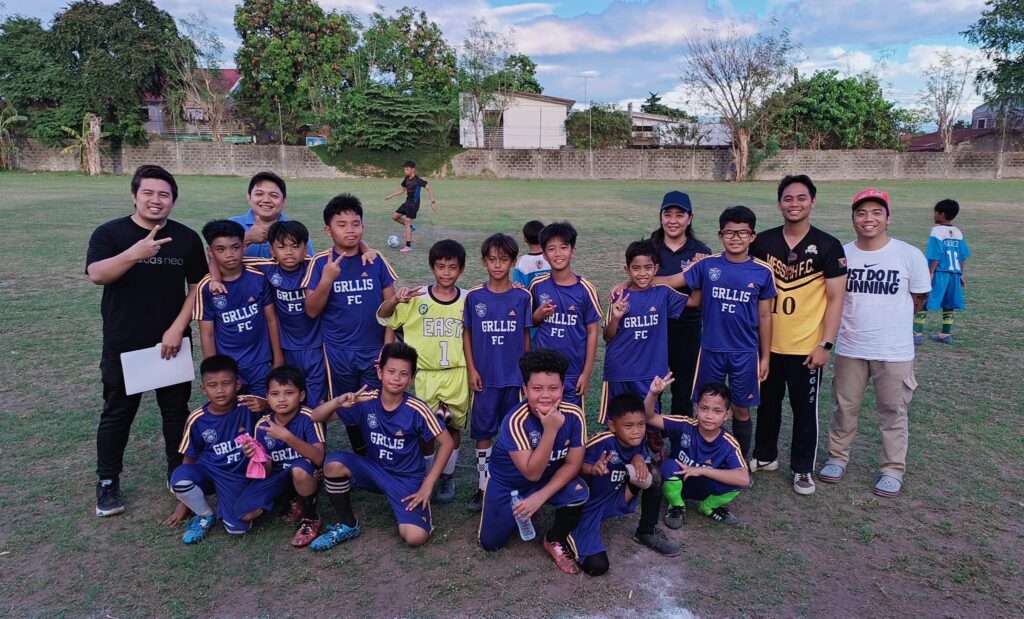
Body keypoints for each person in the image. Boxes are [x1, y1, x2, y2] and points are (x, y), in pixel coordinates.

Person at [86, 164, 208, 517]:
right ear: (135, 195)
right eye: (149, 193)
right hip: (124, 343)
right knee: (118, 412)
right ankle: (108, 481)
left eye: (164, 195)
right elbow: (97, 274)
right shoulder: (110, 233)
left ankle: (178, 472)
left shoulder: (185, 238)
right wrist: (133, 254)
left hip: (171, 342)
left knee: (175, 413)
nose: (156, 201)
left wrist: (176, 328)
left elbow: (197, 285)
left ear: (173, 201)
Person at [819, 189, 930, 498]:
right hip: (851, 347)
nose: (868, 219)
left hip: (894, 351)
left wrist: (891, 322)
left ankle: (893, 469)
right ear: (853, 218)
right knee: (844, 408)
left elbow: (920, 298)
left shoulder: (909, 255)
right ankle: (837, 458)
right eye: (861, 213)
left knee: (893, 411)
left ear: (888, 218)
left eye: (876, 212)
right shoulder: (841, 254)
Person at [748, 175, 847, 496]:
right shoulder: (762, 242)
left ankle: (803, 469)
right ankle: (764, 456)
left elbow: (836, 300)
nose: (794, 204)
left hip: (806, 348)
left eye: (801, 198)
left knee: (804, 410)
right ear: (779, 204)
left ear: (813, 202)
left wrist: (825, 344)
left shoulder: (829, 245)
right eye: (788, 198)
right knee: (767, 405)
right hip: (768, 344)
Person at [308, 342, 454, 549]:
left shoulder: (416, 408)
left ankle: (414, 514)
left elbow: (447, 442)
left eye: (404, 374)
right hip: (374, 470)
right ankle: (348, 525)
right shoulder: (366, 400)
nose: (396, 378)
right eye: (391, 371)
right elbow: (316, 416)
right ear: (380, 372)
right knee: (333, 464)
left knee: (415, 538)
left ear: (411, 378)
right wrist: (338, 401)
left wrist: (428, 484)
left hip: (406, 479)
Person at [677, 206, 775, 459]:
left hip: (745, 353)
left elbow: (765, 316)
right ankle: (702, 457)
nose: (736, 238)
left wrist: (765, 357)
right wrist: (636, 281)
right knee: (706, 407)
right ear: (720, 235)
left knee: (742, 409)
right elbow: (673, 281)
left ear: (752, 236)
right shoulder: (707, 265)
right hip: (711, 350)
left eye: (742, 233)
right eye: (729, 232)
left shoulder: (763, 271)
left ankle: (738, 461)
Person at [478, 349, 588, 575]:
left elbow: (572, 464)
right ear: (525, 389)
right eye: (537, 389)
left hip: (546, 477)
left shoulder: (574, 415)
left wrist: (540, 496)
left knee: (578, 492)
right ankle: (499, 498)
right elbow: (531, 473)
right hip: (511, 484)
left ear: (563, 388)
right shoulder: (515, 421)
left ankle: (554, 539)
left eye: (553, 388)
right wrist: (550, 431)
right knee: (491, 543)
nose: (546, 396)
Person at [304, 194, 398, 456]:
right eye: (341, 224)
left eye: (355, 223)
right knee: (348, 404)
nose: (350, 230)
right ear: (328, 229)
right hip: (338, 351)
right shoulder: (320, 263)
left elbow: (392, 309)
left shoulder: (375, 259)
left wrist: (387, 349)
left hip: (374, 350)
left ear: (363, 227)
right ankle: (361, 451)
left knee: (379, 402)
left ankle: (384, 451)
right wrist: (327, 279)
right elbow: (311, 310)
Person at [377, 239, 470, 504]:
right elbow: (384, 317)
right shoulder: (416, 298)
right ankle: (428, 474)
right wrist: (395, 300)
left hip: (456, 373)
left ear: (461, 270)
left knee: (452, 426)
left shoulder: (468, 299)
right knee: (426, 429)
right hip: (425, 375)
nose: (446, 273)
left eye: (452, 267)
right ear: (432, 267)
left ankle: (448, 476)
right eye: (440, 267)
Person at [572, 393, 679, 578]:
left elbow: (638, 451)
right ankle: (569, 533)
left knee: (652, 474)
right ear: (612, 426)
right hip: (589, 507)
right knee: (597, 566)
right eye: (629, 426)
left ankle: (646, 532)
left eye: (641, 424)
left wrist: (638, 458)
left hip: (614, 497)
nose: (637, 431)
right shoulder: (601, 443)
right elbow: (572, 465)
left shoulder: (636, 439)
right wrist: (592, 468)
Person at [463, 233, 532, 512]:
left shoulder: (521, 297)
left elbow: (527, 338)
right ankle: (483, 486)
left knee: (512, 433)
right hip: (485, 379)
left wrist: (527, 377)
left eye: (504, 260)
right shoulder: (475, 297)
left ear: (513, 262)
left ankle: (507, 484)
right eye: (492, 259)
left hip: (514, 379)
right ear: (483, 262)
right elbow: (467, 334)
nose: (497, 265)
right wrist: (471, 369)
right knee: (483, 431)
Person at [164, 355, 263, 543]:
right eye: (212, 385)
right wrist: (182, 504)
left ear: (238, 384)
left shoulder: (250, 406)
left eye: (226, 383)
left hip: (238, 476)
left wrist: (265, 404)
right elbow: (189, 457)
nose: (220, 390)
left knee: (237, 530)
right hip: (211, 472)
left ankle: (234, 499)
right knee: (180, 478)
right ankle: (203, 514)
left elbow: (276, 415)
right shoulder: (197, 419)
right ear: (203, 389)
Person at [601, 239, 690, 424]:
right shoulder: (619, 295)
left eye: (648, 267)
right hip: (620, 370)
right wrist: (616, 317)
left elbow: (695, 301)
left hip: (650, 371)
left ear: (656, 268)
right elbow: (607, 337)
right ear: (627, 270)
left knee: (648, 418)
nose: (642, 273)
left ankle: (650, 451)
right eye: (636, 268)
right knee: (618, 420)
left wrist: (699, 269)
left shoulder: (663, 293)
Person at [645, 375, 749, 528]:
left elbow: (744, 478)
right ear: (696, 408)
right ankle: (676, 506)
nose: (709, 416)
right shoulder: (684, 425)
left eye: (717, 411)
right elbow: (648, 417)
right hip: (679, 480)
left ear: (726, 415)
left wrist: (700, 470)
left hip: (705, 485)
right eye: (704, 408)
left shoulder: (729, 443)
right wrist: (653, 394)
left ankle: (707, 507)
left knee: (736, 483)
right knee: (668, 466)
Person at [194, 220, 283, 397]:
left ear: (244, 247)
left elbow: (271, 319)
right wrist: (216, 373)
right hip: (229, 368)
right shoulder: (207, 287)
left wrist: (278, 358)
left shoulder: (258, 277)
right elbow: (207, 334)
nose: (229, 254)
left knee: (264, 411)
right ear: (210, 252)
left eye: (235, 247)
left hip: (260, 363)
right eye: (221, 249)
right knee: (235, 416)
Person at [248, 365, 326, 548]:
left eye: (289, 393)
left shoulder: (309, 417)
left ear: (301, 396)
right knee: (246, 514)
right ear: (267, 397)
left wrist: (287, 436)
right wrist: (256, 457)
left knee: (298, 469)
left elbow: (319, 458)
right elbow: (266, 469)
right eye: (274, 394)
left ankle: (310, 517)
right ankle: (289, 499)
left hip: (307, 473)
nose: (281, 399)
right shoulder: (262, 425)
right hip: (279, 475)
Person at [649, 191, 712, 416]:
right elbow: (638, 284)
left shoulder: (701, 252)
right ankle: (651, 441)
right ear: (661, 217)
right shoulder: (649, 248)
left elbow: (700, 300)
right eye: (668, 214)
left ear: (690, 218)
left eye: (679, 215)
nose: (673, 221)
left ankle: (680, 444)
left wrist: (661, 289)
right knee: (650, 387)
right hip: (652, 328)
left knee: (683, 390)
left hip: (687, 330)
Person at [530, 221, 602, 411]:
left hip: (572, 370)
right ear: (544, 254)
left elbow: (592, 332)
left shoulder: (586, 289)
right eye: (551, 249)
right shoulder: (537, 285)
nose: (558, 253)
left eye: (564, 247)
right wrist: (537, 315)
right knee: (539, 418)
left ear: (573, 251)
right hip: (540, 367)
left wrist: (586, 373)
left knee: (570, 421)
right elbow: (527, 322)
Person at [914, 199, 970, 345]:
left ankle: (917, 333)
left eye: (936, 213)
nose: (934, 215)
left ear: (942, 214)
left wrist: (930, 273)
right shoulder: (958, 232)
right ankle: (945, 334)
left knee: (924, 299)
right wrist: (960, 274)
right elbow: (963, 255)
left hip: (940, 272)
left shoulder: (937, 231)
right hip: (954, 273)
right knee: (949, 303)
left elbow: (936, 254)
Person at [229, 172, 313, 258]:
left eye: (274, 195)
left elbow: (309, 265)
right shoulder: (231, 225)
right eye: (259, 194)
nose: (266, 200)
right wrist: (248, 238)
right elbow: (215, 257)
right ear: (249, 198)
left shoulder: (296, 231)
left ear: (284, 201)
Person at [383, 160, 437, 252]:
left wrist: (433, 202)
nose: (406, 171)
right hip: (407, 203)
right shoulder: (407, 178)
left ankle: (408, 246)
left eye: (407, 169)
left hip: (414, 205)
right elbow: (403, 190)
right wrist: (391, 195)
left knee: (408, 222)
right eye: (405, 169)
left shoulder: (418, 180)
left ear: (413, 169)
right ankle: (411, 227)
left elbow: (429, 189)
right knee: (395, 217)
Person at [512, 220, 550, 287]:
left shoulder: (521, 261)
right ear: (543, 238)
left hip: (530, 297)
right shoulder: (551, 257)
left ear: (525, 239)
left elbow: (517, 285)